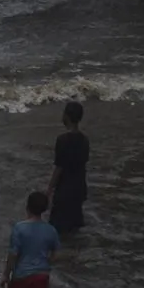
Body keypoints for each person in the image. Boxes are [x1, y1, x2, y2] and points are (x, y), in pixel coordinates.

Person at [1, 192, 60, 288]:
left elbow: (13, 254)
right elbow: (56, 255)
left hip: (22, 276)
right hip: (42, 277)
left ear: (27, 207)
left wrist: (6, 275)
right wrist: (46, 264)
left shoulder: (19, 228)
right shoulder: (51, 230)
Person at [48, 101, 90, 235]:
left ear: (66, 116)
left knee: (57, 228)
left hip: (64, 191)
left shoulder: (62, 140)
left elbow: (59, 168)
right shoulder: (85, 140)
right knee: (74, 227)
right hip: (79, 188)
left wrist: (49, 189)